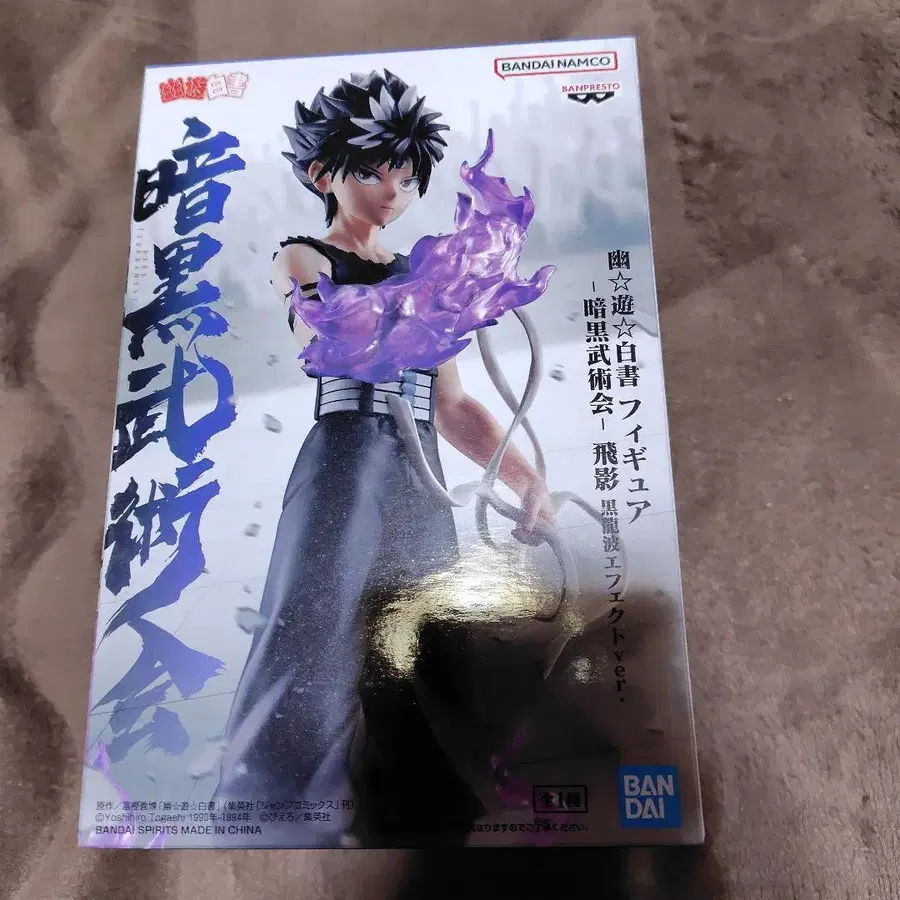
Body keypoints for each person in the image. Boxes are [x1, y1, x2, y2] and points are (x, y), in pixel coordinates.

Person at [214, 69, 555, 848]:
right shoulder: (303, 256)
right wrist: (428, 300)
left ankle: (425, 807)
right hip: (345, 461)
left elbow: (455, 406)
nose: (393, 191)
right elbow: (321, 336)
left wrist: (527, 479)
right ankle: (274, 813)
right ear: (322, 174)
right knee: (314, 628)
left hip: (416, 470)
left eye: (405, 175)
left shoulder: (420, 272)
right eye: (373, 171)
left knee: (427, 636)